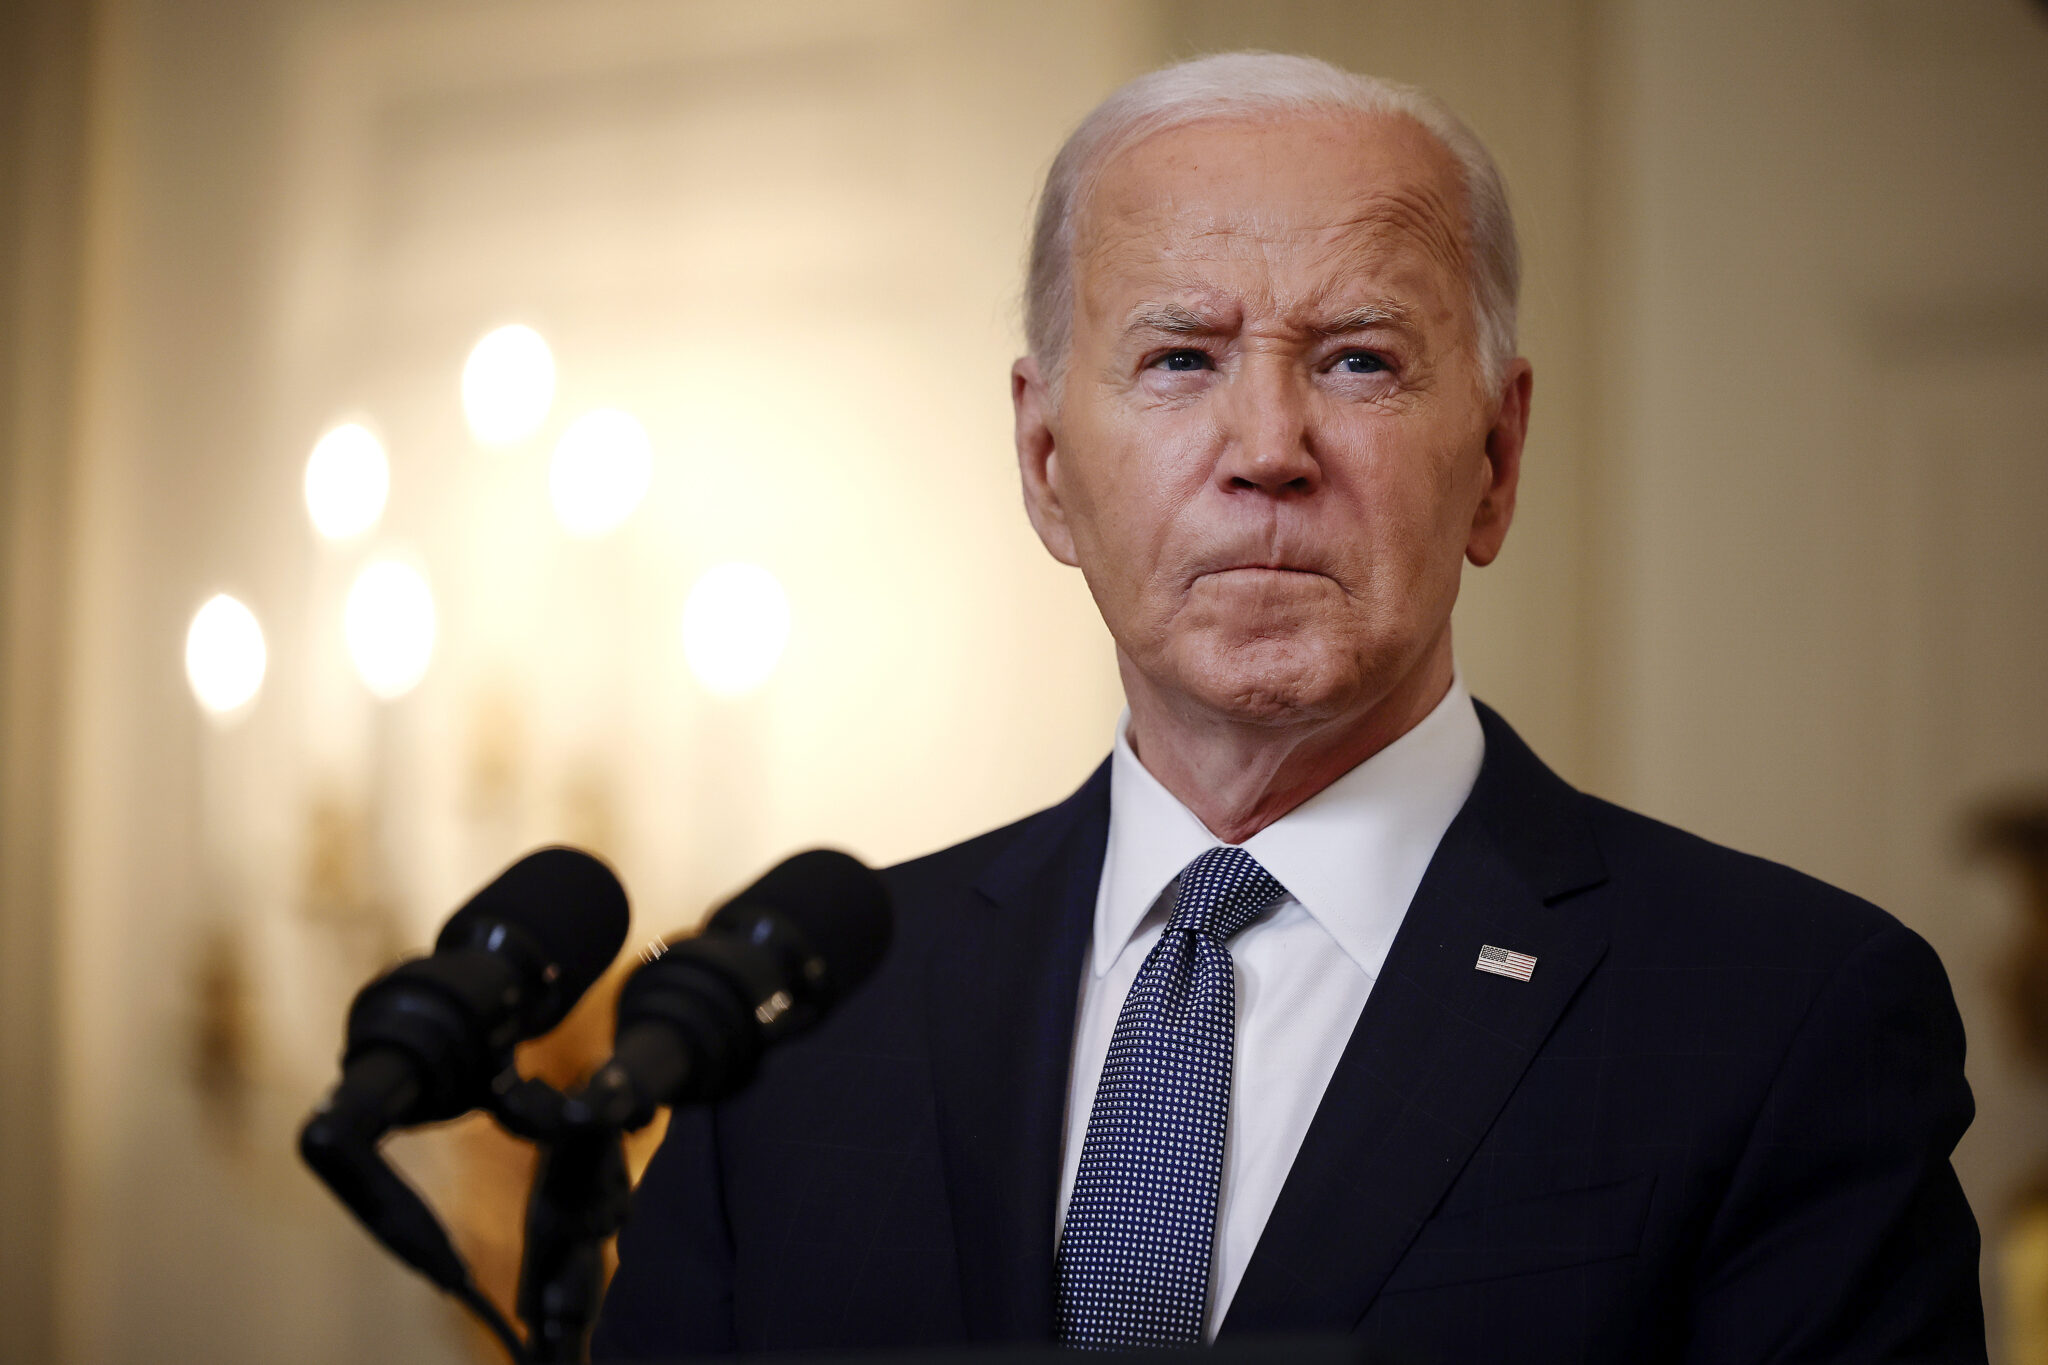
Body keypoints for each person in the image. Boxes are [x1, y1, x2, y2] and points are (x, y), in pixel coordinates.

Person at [592, 52, 1984, 1362]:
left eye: (1359, 361)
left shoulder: (1782, 1016)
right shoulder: (791, 1029)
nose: (1267, 450)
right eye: (1182, 357)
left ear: (1497, 459)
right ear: (1043, 460)